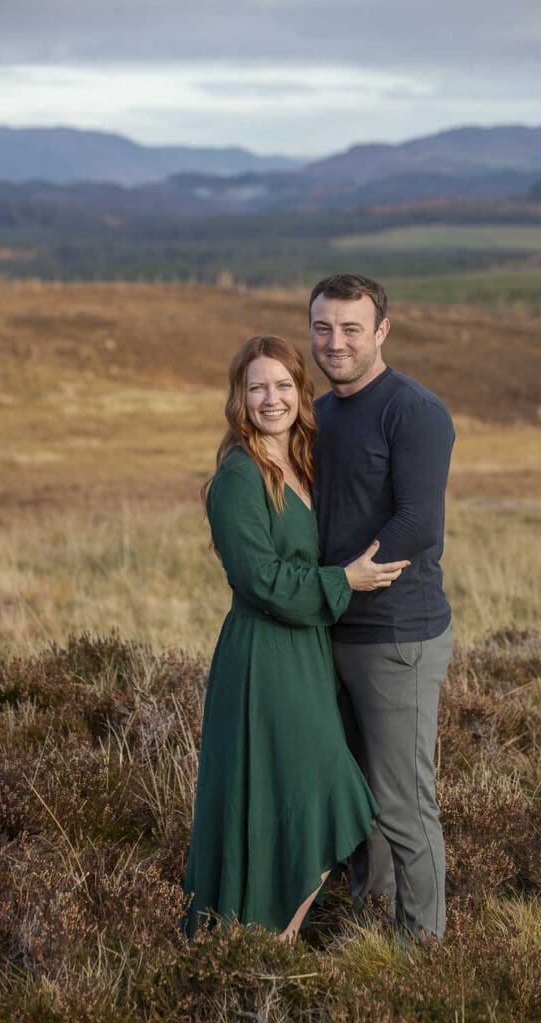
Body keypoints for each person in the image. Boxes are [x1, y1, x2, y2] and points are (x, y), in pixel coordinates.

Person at [183, 335, 410, 942]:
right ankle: (263, 942)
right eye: (257, 387)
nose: (271, 398)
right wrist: (346, 581)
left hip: (306, 653)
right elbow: (260, 579)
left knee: (311, 792)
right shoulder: (239, 476)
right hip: (264, 655)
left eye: (283, 385)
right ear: (239, 398)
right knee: (317, 785)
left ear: (300, 393)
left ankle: (271, 940)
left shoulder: (303, 463)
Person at [309, 274, 455, 943]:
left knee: (402, 803)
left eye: (349, 329)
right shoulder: (323, 413)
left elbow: (418, 523)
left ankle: (420, 952)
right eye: (322, 328)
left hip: (397, 635)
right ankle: (368, 922)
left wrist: (345, 576)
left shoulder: (412, 410)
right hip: (333, 629)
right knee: (358, 800)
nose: (334, 342)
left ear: (381, 332)